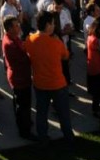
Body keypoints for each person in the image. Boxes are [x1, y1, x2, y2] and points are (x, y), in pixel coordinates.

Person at [25, 11, 74, 145]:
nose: (54, 26)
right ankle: (69, 138)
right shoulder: (56, 43)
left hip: (40, 84)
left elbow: (27, 51)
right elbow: (66, 55)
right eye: (52, 23)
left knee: (41, 113)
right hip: (57, 84)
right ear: (47, 25)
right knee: (63, 114)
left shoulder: (29, 40)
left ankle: (43, 138)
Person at [1, 15, 35, 140]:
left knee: (20, 103)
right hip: (19, 78)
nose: (19, 27)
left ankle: (25, 122)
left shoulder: (13, 37)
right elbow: (25, 59)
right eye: (16, 26)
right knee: (23, 105)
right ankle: (24, 131)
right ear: (9, 29)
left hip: (19, 76)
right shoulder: (10, 44)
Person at [86, 16, 100, 117]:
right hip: (98, 69)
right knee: (98, 91)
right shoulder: (96, 41)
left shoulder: (90, 37)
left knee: (96, 92)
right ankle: (96, 109)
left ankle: (97, 108)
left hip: (92, 68)